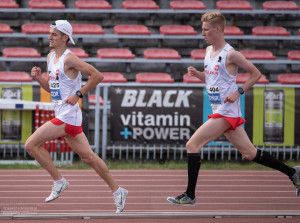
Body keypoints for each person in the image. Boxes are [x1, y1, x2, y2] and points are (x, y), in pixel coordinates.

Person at [167, 11, 300, 206]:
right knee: (250, 154)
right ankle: (293, 172)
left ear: (218, 29)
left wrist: (238, 92)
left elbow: (256, 74)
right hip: (220, 110)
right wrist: (198, 75)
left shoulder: (231, 54)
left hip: (226, 111)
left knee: (192, 145)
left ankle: (190, 195)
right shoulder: (207, 52)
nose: (202, 33)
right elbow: (212, 78)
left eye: (205, 30)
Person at [26, 20, 128, 213]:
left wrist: (79, 94)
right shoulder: (50, 57)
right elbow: (53, 90)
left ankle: (59, 181)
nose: (49, 37)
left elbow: (97, 76)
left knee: (31, 144)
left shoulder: (69, 59)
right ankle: (118, 191)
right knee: (88, 157)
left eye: (54, 34)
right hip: (64, 114)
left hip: (68, 115)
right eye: (49, 34)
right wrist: (39, 79)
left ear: (65, 37)